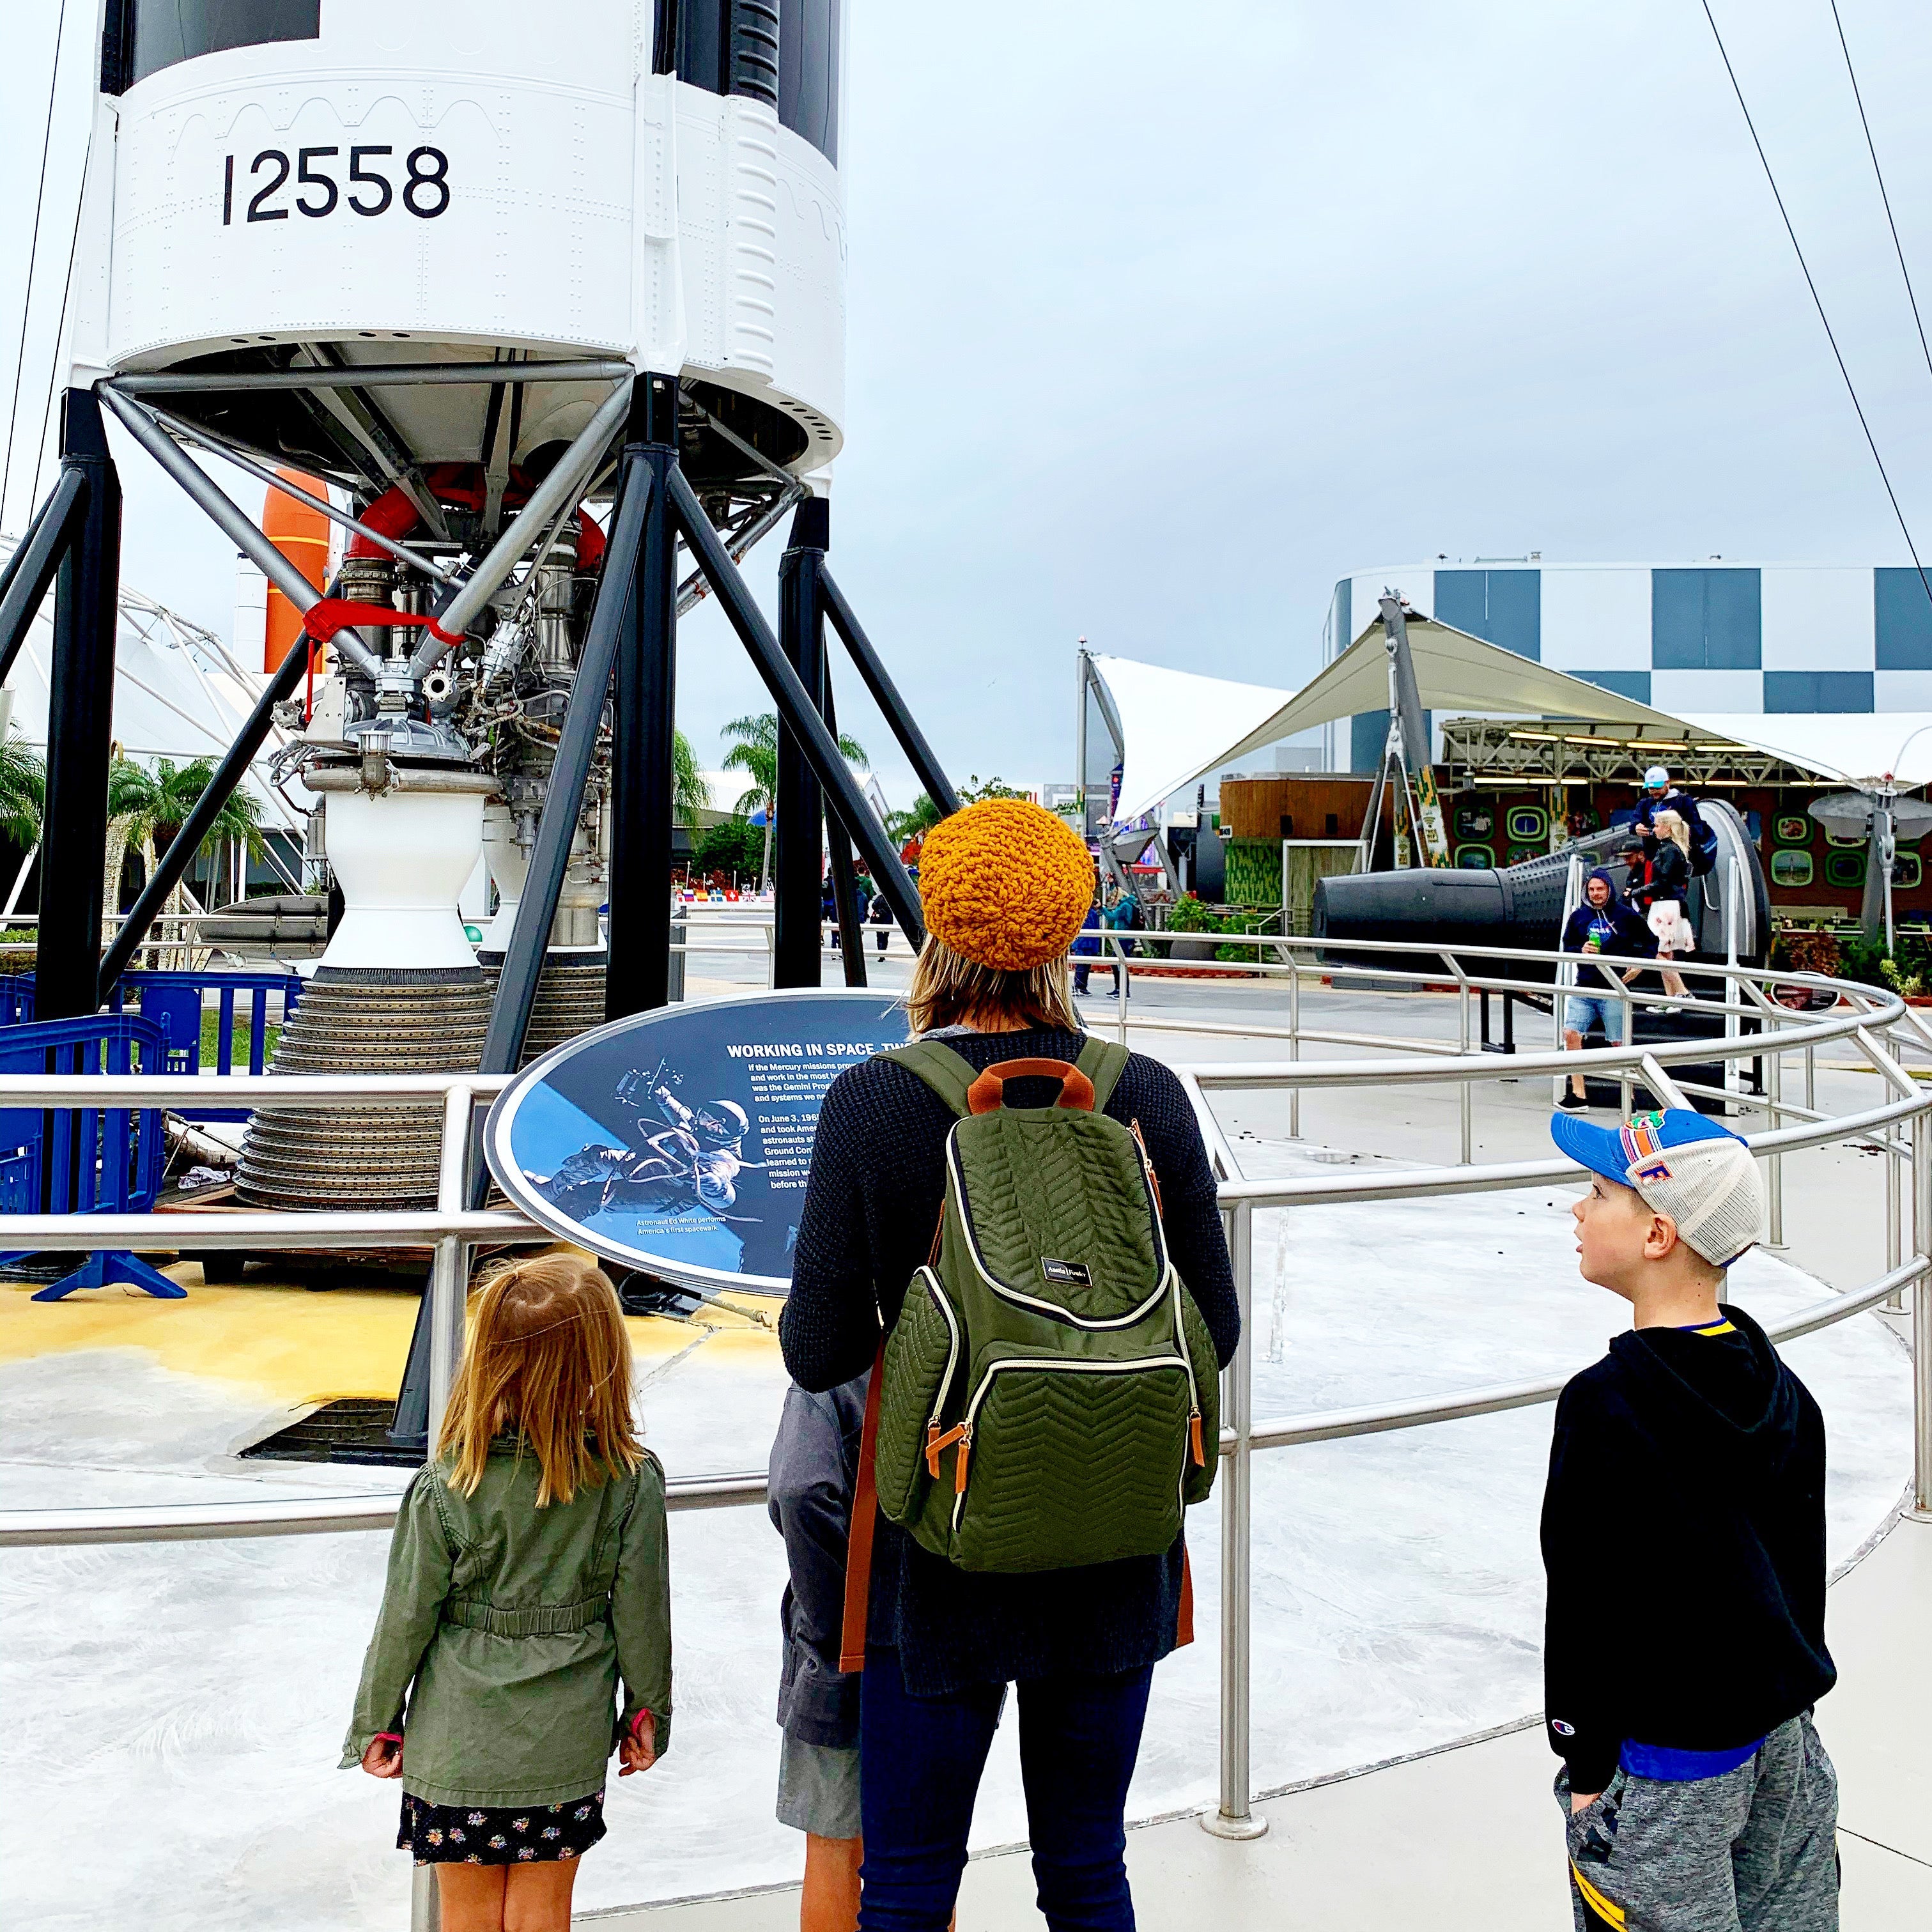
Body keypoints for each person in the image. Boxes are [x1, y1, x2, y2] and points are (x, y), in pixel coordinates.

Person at [780, 797, 1240, 1931]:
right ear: (1065, 932)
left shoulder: (874, 1099)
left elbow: (818, 1348)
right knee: (1085, 1867)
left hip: (934, 1551)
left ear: (934, 926)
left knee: (906, 1882)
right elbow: (1212, 1332)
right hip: (1114, 1539)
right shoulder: (1145, 1094)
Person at [1543, 1105, 1837, 1932]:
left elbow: (1583, 1602)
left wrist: (1583, 1763)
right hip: (1784, 1745)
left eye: (1599, 1192)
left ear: (1656, 1235)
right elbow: (1799, 1576)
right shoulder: (1786, 1393)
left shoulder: (1603, 1405)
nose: (1576, 1208)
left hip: (1665, 1767)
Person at [343, 1255, 672, 1932]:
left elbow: (404, 1619)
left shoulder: (446, 1484)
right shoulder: (628, 1479)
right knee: (542, 1913)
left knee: (465, 1918)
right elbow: (643, 1614)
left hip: (458, 1740)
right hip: (565, 1737)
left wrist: (375, 1722)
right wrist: (648, 1712)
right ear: (603, 1358)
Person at [769, 1373, 871, 1932]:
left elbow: (799, 1490)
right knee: (924, 1851)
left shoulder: (830, 1379)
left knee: (835, 1843)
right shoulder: (961, 1348)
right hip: (942, 1643)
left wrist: (837, 1615)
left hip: (843, 1654)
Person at [1559, 868, 1655, 1110]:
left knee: (1619, 1043)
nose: (1596, 893)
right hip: (1585, 987)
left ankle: (1629, 1097)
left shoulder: (1625, 915)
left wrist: (1639, 966)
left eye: (1600, 888)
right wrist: (1580, 950)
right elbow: (1567, 945)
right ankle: (1578, 1094)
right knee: (1571, 1034)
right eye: (1591, 889)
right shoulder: (1578, 916)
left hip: (1614, 988)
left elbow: (1651, 941)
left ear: (1609, 889)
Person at [1641, 812, 1695, 1004]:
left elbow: (1662, 882)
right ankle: (1671, 999)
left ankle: (1683, 992)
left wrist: (1636, 892)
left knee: (1655, 950)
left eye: (1657, 826)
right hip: (1668, 904)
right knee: (1666, 954)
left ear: (1667, 828)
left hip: (1665, 905)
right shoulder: (1671, 849)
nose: (1654, 830)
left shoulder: (1669, 850)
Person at [1101, 882, 1140, 998]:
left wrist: (1102, 908)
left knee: (1119, 964)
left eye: (1114, 897)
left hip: (1123, 939)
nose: (1113, 900)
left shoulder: (1124, 906)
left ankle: (1123, 990)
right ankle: (1120, 989)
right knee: (1118, 964)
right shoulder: (1128, 904)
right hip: (1125, 939)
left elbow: (1112, 917)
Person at [869, 887, 895, 958]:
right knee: (886, 937)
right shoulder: (891, 899)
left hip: (879, 919)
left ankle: (880, 952)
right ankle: (883, 951)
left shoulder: (879, 898)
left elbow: (874, 905)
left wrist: (879, 911)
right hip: (888, 920)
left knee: (879, 936)